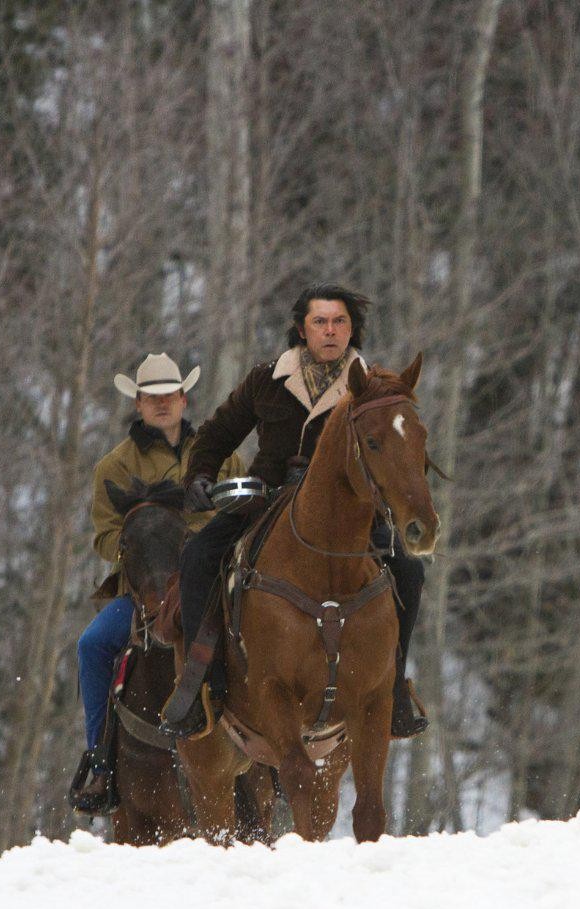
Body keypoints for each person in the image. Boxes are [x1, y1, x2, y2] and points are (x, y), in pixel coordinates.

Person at [158, 284, 429, 740]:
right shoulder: (266, 379)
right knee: (199, 555)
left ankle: (394, 688)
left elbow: (399, 450)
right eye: (320, 322)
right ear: (302, 330)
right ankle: (205, 677)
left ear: (351, 330)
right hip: (265, 499)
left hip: (350, 514)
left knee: (410, 571)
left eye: (339, 321)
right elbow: (217, 433)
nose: (330, 330)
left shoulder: (376, 388)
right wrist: (200, 477)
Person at [70, 353, 244, 814]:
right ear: (138, 403)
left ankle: (270, 751)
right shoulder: (114, 466)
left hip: (211, 584)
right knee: (92, 645)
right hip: (144, 593)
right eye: (152, 397)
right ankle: (101, 761)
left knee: (257, 629)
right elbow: (104, 538)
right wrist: (140, 546)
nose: (162, 404)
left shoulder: (220, 455)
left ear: (184, 399)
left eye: (170, 395)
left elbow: (241, 510)